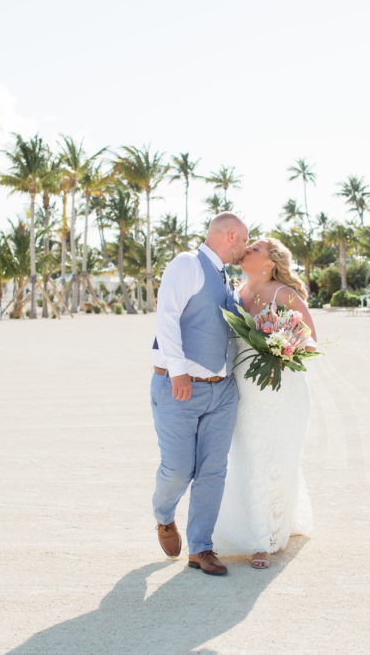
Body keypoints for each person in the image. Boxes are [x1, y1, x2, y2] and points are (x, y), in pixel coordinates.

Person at [150, 212, 248, 576]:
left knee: (213, 471)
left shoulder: (225, 277)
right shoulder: (186, 264)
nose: (244, 248)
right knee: (177, 470)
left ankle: (201, 548)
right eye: (244, 240)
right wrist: (178, 371)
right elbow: (167, 316)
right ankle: (163, 516)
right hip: (180, 387)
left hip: (222, 392)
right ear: (232, 235)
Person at [212, 237, 317, 569]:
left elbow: (311, 340)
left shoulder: (284, 295)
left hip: (282, 390)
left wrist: (282, 346)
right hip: (245, 389)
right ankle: (250, 529)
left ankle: (264, 540)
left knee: (277, 458)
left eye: (255, 248)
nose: (247, 250)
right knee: (247, 457)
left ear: (269, 262)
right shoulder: (236, 293)